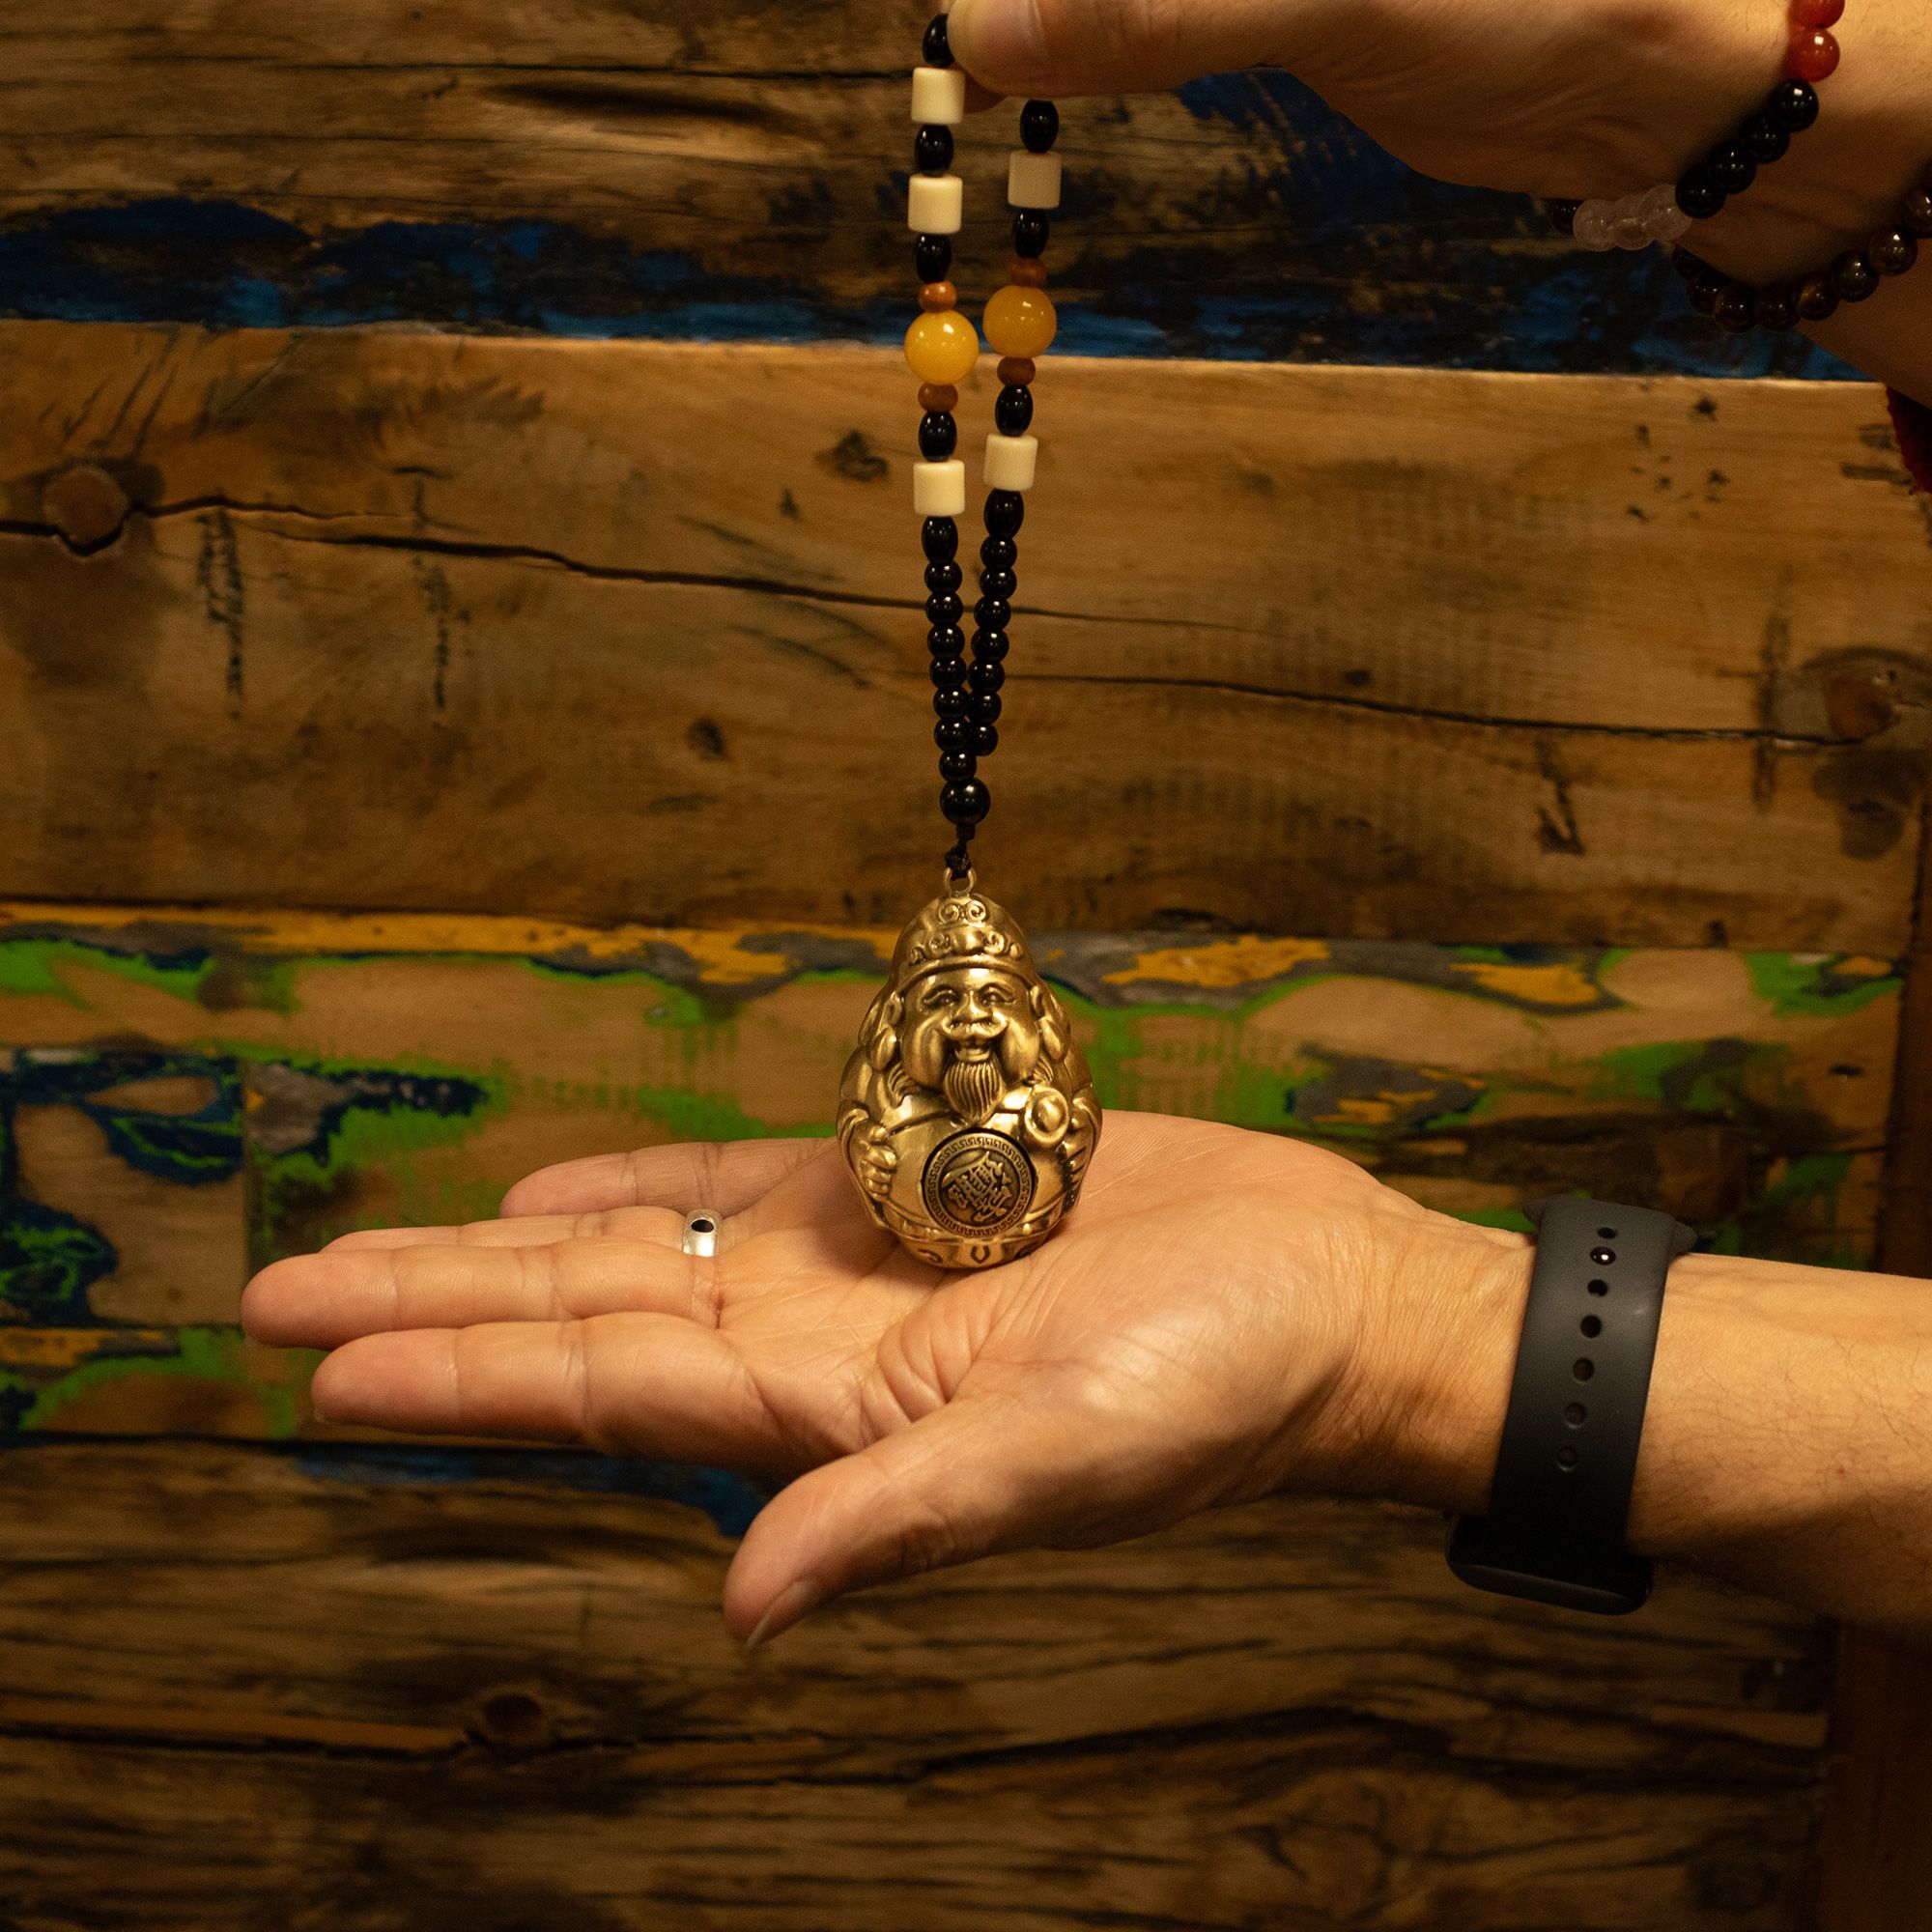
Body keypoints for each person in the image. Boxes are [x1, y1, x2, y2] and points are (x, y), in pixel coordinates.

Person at [242, 0, 1932, 1647]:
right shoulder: (937, 1085)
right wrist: (1421, 1330)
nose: (979, 1044)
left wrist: (1413, 1336)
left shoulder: (985, 1079)